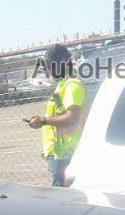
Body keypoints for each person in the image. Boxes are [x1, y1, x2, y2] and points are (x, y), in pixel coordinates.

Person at [27, 43, 87, 187]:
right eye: (47, 66)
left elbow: (72, 118)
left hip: (66, 154)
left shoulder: (72, 85)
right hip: (59, 153)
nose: (48, 70)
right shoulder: (63, 84)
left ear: (65, 62)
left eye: (51, 65)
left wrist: (43, 121)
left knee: (62, 200)